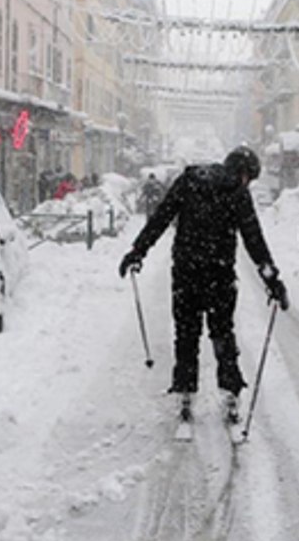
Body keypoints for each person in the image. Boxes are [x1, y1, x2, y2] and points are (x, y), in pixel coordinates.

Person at [117, 146, 288, 424]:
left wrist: (138, 251)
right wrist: (271, 278)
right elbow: (253, 238)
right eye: (249, 178)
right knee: (222, 334)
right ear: (243, 173)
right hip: (220, 275)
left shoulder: (188, 180)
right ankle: (231, 391)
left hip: (186, 273)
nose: (248, 183)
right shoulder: (237, 191)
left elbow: (161, 217)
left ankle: (185, 391)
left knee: (186, 334)